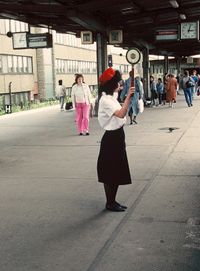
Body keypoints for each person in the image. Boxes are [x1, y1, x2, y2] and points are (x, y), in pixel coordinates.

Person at [97, 67, 134, 212]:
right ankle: (110, 202)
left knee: (116, 170)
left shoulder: (111, 98)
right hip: (112, 138)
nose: (120, 84)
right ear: (112, 84)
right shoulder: (106, 100)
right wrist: (128, 98)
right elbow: (121, 113)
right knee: (111, 171)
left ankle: (112, 201)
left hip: (117, 136)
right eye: (117, 82)